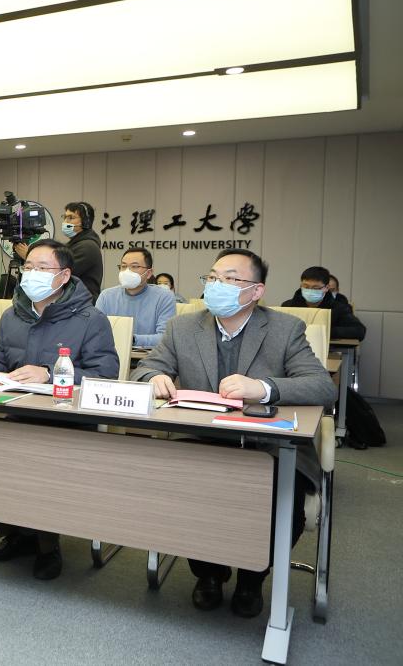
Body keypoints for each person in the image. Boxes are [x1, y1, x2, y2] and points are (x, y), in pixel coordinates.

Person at [130, 248, 337, 618]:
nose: (216, 285)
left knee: (280, 496)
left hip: (269, 445)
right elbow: (143, 369)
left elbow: (322, 387)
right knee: (182, 488)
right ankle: (209, 573)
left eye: (229, 279)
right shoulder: (183, 327)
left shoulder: (285, 329)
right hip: (201, 440)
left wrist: (265, 388)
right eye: (212, 277)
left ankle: (252, 578)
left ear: (256, 291)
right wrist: (154, 376)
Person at [0, 239, 120, 580]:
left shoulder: (91, 319)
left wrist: (50, 373)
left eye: (42, 268)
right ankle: (14, 534)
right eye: (28, 267)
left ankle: (47, 545)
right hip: (18, 413)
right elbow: (2, 357)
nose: (31, 273)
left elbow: (105, 374)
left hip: (66, 421)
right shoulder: (12, 315)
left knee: (39, 458)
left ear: (64, 275)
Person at [19, 202, 104, 301]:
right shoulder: (76, 244)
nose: (66, 221)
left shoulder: (87, 247)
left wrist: (29, 258)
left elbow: (59, 274)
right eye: (65, 217)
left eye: (71, 218)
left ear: (86, 222)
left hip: (80, 303)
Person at [95, 248, 176, 347]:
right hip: (112, 354)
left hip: (150, 355)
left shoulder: (164, 297)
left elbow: (165, 337)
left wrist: (131, 339)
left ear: (149, 273)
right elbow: (95, 332)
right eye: (123, 266)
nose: (127, 271)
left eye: (134, 266)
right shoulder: (106, 296)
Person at [282, 267, 366, 340]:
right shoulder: (288, 306)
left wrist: (325, 331)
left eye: (316, 288)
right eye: (306, 286)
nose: (310, 290)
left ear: (326, 288)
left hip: (329, 349)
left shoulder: (339, 308)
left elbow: (359, 331)